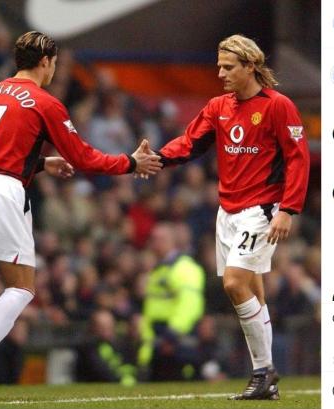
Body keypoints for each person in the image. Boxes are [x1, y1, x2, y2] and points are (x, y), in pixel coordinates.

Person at [0, 31, 161, 402]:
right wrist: (130, 162)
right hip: (2, 193)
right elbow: (84, 157)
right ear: (45, 61)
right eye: (54, 63)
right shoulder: (45, 102)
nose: (54, 70)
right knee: (22, 288)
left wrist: (41, 163)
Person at [153, 34, 310, 400]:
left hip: (262, 209)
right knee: (253, 290)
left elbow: (298, 158)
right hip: (228, 211)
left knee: (234, 283)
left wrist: (288, 209)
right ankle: (267, 380)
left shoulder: (278, 106)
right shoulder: (218, 106)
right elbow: (190, 143)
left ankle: (263, 370)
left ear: (250, 66)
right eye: (219, 66)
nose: (220, 73)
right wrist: (157, 158)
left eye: (228, 67)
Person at [137, 222, 205, 381]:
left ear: (171, 241)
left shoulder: (184, 268)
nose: (153, 243)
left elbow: (190, 304)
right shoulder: (159, 270)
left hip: (176, 344)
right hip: (158, 341)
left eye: (158, 239)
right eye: (152, 239)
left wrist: (172, 335)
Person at [75, 309, 136, 386]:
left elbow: (133, 366)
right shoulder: (87, 348)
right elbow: (100, 372)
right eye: (101, 326)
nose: (106, 329)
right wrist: (122, 379)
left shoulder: (123, 345)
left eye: (109, 325)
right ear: (93, 327)